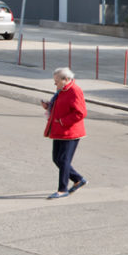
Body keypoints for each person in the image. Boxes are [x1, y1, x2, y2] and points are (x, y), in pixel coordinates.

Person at [42, 67, 87, 199]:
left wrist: (62, 121)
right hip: (59, 130)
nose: (55, 84)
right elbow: (61, 105)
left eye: (56, 81)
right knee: (57, 159)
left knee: (64, 160)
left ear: (66, 79)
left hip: (70, 132)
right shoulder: (62, 89)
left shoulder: (74, 91)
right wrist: (49, 105)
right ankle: (78, 179)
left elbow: (81, 113)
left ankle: (62, 189)